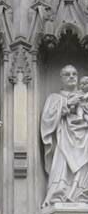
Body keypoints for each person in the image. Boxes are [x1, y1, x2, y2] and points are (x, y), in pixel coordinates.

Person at [41, 65, 88, 206]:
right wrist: (66, 104)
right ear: (61, 78)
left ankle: (81, 194)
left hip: (84, 138)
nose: (72, 76)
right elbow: (46, 119)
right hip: (63, 138)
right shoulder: (54, 98)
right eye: (67, 74)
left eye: (74, 74)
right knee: (62, 164)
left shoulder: (84, 96)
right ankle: (59, 193)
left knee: (84, 165)